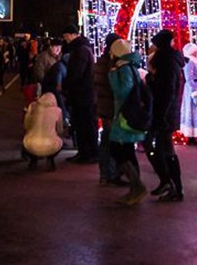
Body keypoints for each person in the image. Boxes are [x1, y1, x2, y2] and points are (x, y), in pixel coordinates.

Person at [143, 30, 186, 202]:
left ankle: (173, 185)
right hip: (163, 111)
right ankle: (168, 182)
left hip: (164, 112)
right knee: (159, 147)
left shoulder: (167, 62)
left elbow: (167, 90)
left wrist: (162, 114)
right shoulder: (167, 60)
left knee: (163, 148)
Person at [108, 39, 149, 205]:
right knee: (126, 151)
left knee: (117, 149)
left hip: (124, 115)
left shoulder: (124, 69)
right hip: (128, 114)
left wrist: (112, 75)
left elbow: (122, 91)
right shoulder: (131, 67)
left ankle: (137, 186)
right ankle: (135, 187)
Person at [62, 24, 98, 164]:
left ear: (72, 34)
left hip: (82, 94)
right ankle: (86, 152)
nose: (65, 39)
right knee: (84, 124)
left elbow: (76, 73)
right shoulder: (84, 48)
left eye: (66, 36)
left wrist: (67, 86)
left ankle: (88, 153)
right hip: (84, 93)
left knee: (84, 124)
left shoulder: (80, 50)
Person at [94, 33, 127, 187]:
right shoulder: (112, 64)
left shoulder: (102, 62)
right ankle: (111, 173)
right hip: (112, 107)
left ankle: (106, 174)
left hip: (104, 106)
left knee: (108, 140)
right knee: (112, 141)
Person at [22, 92, 64, 171]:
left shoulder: (32, 106)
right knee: (59, 142)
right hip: (50, 144)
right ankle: (50, 159)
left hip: (31, 144)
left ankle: (33, 160)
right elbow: (60, 130)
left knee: (27, 140)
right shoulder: (58, 111)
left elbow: (26, 125)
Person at [29, 39, 61, 107]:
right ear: (51, 47)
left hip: (55, 87)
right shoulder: (43, 56)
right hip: (46, 88)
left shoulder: (59, 57)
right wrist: (47, 84)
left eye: (60, 47)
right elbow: (39, 72)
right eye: (56, 47)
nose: (58, 49)